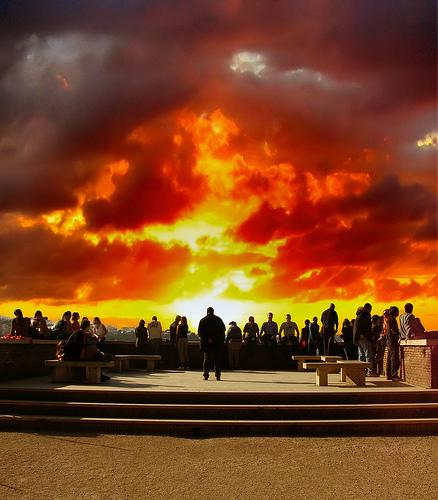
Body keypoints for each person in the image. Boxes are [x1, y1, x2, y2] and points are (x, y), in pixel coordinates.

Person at [198, 306, 226, 380]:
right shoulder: (218, 319)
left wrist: (208, 339)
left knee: (206, 359)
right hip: (217, 343)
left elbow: (200, 332)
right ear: (213, 311)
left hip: (206, 343)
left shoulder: (202, 320)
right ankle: (218, 375)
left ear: (207, 312)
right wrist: (215, 339)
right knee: (217, 359)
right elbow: (223, 329)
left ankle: (206, 375)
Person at [353, 303, 375, 375]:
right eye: (370, 308)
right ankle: (370, 371)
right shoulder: (365, 315)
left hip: (358, 338)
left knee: (361, 355)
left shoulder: (358, 315)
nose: (371, 310)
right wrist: (362, 334)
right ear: (367, 308)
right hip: (364, 337)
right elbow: (365, 327)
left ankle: (361, 371)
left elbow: (357, 326)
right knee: (368, 354)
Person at [385, 306, 402, 381]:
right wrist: (398, 334)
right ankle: (394, 375)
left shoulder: (388, 319)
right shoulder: (393, 320)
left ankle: (388, 375)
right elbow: (394, 331)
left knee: (389, 358)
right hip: (393, 341)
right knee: (394, 357)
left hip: (389, 341)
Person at [375, 311, 388, 376]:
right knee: (380, 357)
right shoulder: (385, 322)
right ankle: (379, 371)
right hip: (382, 340)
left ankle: (379, 371)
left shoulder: (379, 325)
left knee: (379, 356)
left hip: (379, 341)